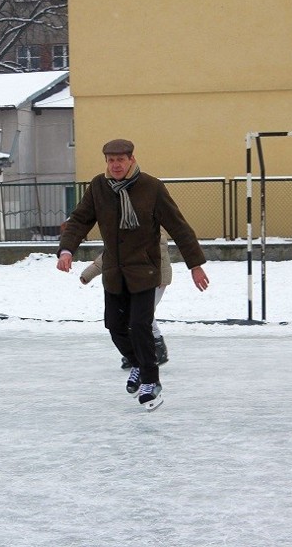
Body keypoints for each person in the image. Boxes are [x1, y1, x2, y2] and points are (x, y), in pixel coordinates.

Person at [57, 138, 209, 411]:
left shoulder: (152, 187)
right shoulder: (99, 188)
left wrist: (195, 265)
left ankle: (151, 381)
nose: (115, 165)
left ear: (131, 160)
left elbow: (179, 227)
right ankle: (138, 363)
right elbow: (79, 220)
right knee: (115, 327)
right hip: (115, 272)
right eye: (110, 160)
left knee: (140, 325)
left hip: (145, 270)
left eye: (120, 160)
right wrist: (67, 250)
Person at [80, 231, 172, 369]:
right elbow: (108, 256)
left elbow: (159, 251)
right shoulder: (123, 235)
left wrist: (156, 275)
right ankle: (138, 353)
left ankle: (157, 347)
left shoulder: (152, 228)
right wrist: (89, 273)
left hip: (155, 280)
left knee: (142, 314)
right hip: (139, 280)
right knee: (136, 315)